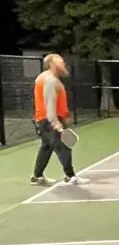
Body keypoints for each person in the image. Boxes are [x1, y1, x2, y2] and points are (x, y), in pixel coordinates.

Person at [31, 54, 90, 185]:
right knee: (63, 147)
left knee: (46, 147)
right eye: (61, 62)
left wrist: (65, 115)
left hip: (44, 119)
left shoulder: (44, 78)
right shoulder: (50, 80)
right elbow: (49, 103)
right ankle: (70, 176)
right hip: (50, 120)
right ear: (52, 64)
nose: (64, 64)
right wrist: (55, 122)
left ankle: (37, 176)